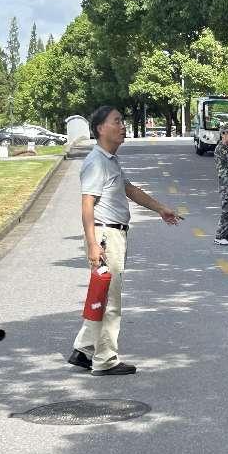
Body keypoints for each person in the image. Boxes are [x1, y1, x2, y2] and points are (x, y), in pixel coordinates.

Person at [68, 106, 182, 376]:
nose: (123, 126)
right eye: (116, 121)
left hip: (112, 234)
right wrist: (93, 244)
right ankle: (105, 360)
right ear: (100, 129)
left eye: (122, 121)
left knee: (102, 293)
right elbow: (87, 205)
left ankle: (84, 350)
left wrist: (160, 208)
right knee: (110, 301)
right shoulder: (96, 162)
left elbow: (129, 189)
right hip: (105, 236)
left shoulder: (110, 160)